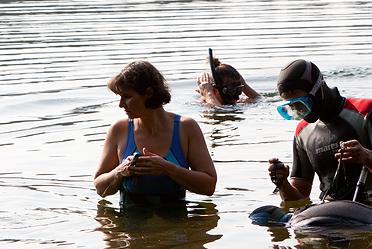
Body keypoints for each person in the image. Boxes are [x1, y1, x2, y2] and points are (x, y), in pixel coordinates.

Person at [268, 59, 372, 211]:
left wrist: (366, 156)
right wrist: (282, 183)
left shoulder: (368, 111)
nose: (299, 112)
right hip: (328, 218)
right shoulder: (302, 132)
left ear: (318, 90)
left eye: (301, 104)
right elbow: (299, 198)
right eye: (291, 107)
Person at [94, 61, 217, 206]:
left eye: (127, 96)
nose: (121, 104)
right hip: (130, 224)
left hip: (177, 224)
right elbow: (100, 189)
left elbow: (209, 187)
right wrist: (120, 171)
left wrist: (168, 169)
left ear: (149, 94)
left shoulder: (186, 127)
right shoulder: (119, 129)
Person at [196, 55, 260, 106]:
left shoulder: (238, 101)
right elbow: (217, 112)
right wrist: (209, 94)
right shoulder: (204, 103)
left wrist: (245, 86)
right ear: (214, 90)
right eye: (231, 92)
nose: (236, 98)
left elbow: (259, 99)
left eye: (238, 91)